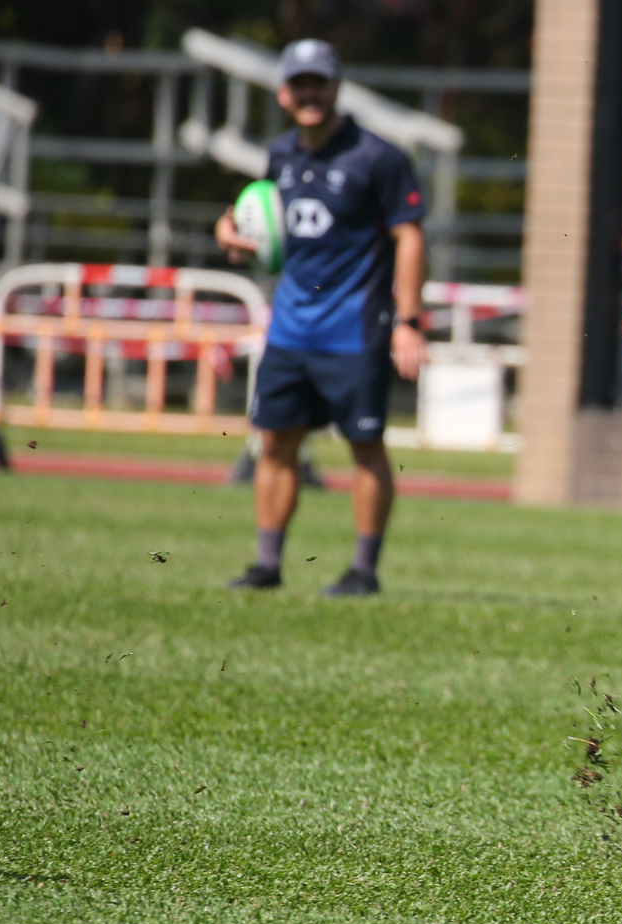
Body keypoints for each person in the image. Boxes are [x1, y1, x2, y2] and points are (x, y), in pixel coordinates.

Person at [215, 39, 428, 597]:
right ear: (284, 94)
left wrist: (408, 321)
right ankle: (267, 564)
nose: (309, 93)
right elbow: (253, 217)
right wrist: (228, 231)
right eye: (299, 84)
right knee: (275, 444)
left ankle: (363, 570)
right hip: (289, 330)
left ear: (336, 87)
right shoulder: (280, 154)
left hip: (354, 331)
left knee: (365, 448)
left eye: (319, 82)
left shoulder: (378, 157)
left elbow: (409, 237)